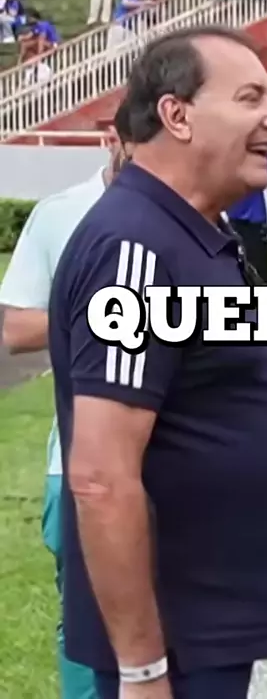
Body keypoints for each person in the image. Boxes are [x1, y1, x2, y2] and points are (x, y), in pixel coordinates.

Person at [48, 24, 267, 699]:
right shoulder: (134, 246)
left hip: (215, 634)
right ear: (177, 115)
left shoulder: (195, 231)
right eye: (251, 98)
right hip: (181, 650)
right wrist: (144, 671)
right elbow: (101, 477)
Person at [0, 124, 131, 699]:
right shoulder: (62, 214)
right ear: (113, 137)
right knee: (89, 626)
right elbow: (18, 328)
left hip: (182, 463)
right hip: (82, 461)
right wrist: (110, 318)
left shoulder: (201, 215)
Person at [227, 152, 267, 285]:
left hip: (252, 222)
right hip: (236, 221)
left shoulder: (259, 153)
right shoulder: (229, 152)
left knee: (258, 273)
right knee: (241, 273)